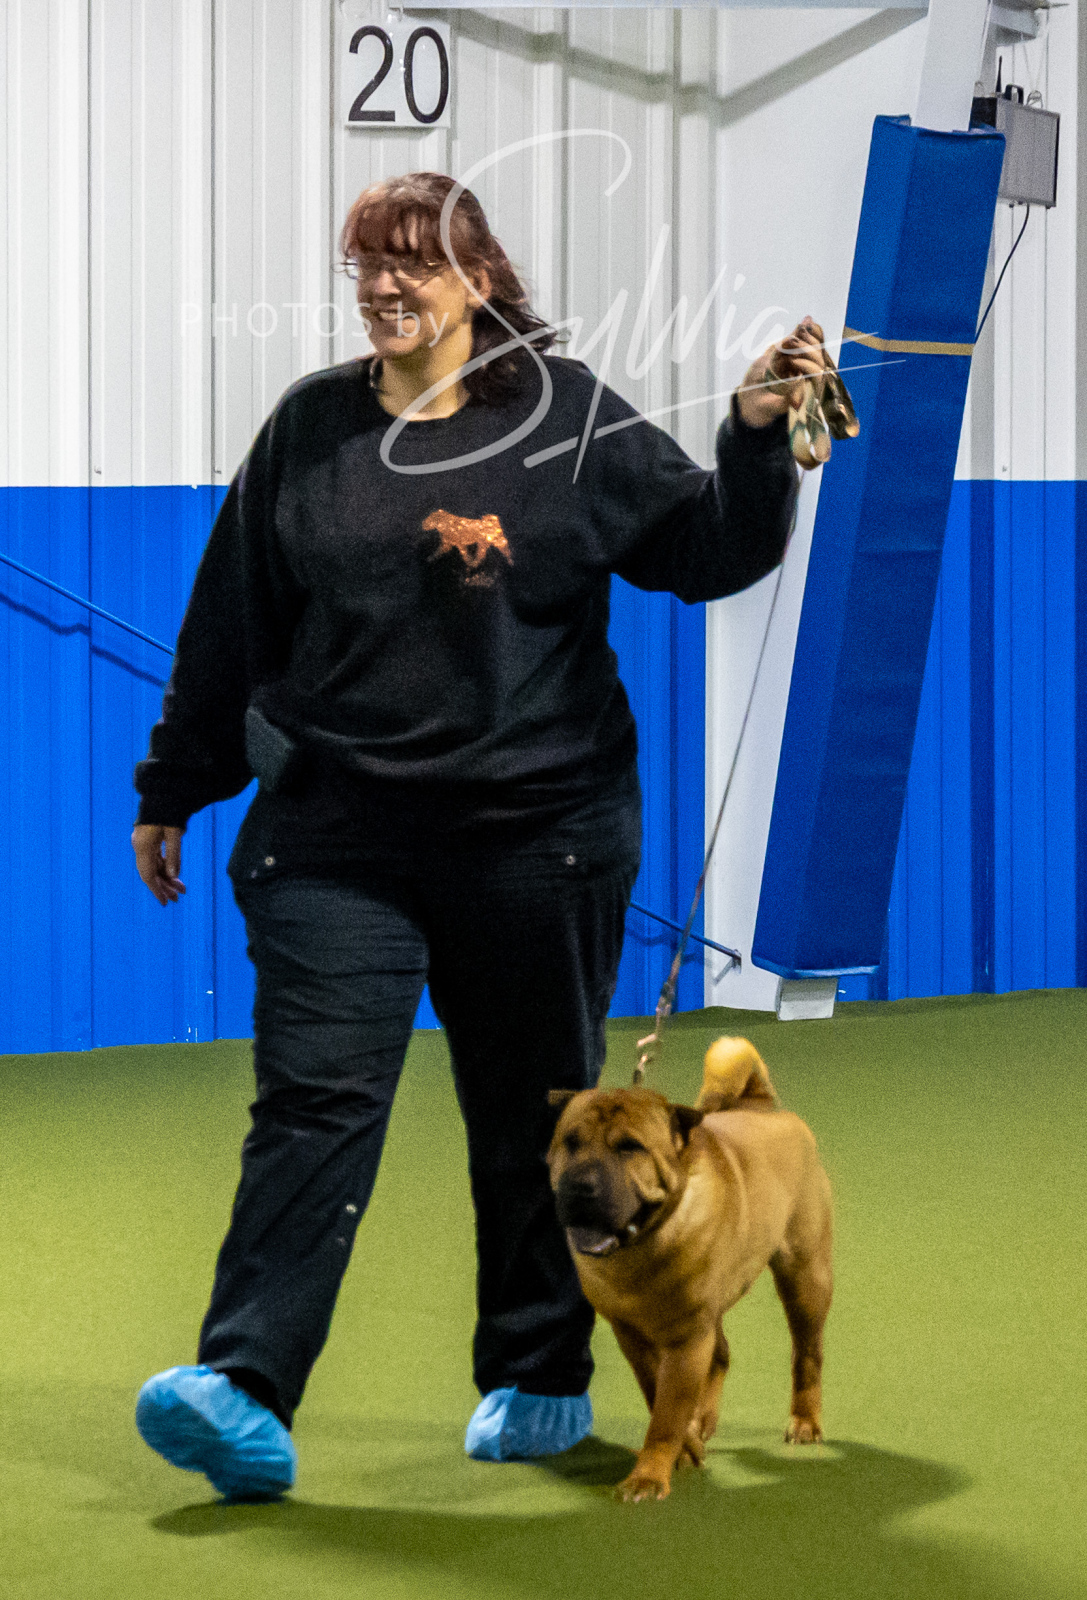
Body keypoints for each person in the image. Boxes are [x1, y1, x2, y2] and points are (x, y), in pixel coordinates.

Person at [131, 171, 822, 1501]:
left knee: (535, 1117)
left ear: (480, 279)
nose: (386, 284)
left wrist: (749, 436)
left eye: (416, 262)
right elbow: (231, 619)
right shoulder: (312, 428)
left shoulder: (568, 420)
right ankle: (244, 1385)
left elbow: (708, 550)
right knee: (314, 1105)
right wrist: (175, 782)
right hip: (335, 837)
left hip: (539, 836)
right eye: (367, 262)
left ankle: (538, 1377)